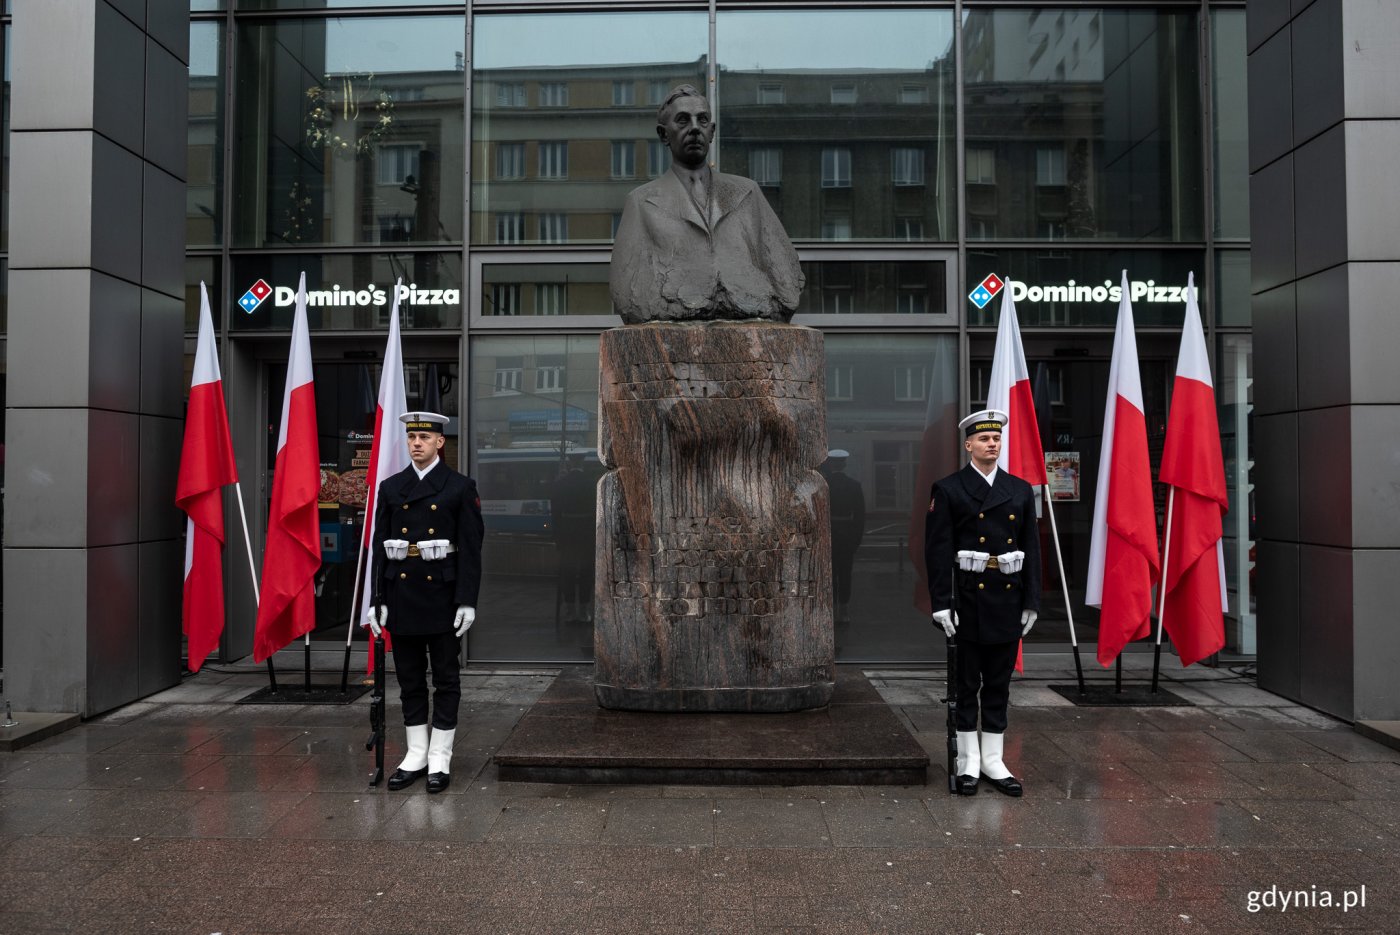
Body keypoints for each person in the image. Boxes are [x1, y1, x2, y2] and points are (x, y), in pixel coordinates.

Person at [609, 84, 804, 323]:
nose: (693, 128)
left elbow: (786, 278)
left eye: (702, 120)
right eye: (682, 121)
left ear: (712, 132)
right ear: (663, 134)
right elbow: (626, 293)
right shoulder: (641, 201)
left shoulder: (747, 193)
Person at [924, 409, 1040, 797]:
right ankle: (967, 761)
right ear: (968, 444)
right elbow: (937, 552)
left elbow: (1032, 551)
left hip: (1007, 601)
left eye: (997, 439)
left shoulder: (1020, 490)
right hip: (967, 602)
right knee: (965, 683)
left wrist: (1032, 601)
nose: (993, 444)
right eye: (985, 439)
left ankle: (994, 759)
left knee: (998, 684)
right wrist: (941, 602)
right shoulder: (949, 489)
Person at [367, 412, 485, 793]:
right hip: (402, 596)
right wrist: (376, 599)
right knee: (410, 679)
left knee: (446, 679)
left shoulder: (459, 487)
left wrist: (467, 600)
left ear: (440, 442)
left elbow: (470, 549)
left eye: (424, 436)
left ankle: (440, 757)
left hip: (443, 597)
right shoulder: (391, 487)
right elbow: (379, 550)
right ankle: (416, 753)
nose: (416, 442)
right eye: (411, 436)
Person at [549, 453, 597, 623]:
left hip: (567, 533)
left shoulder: (560, 484)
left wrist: (557, 537)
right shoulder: (592, 483)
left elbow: (555, 514)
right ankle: (584, 610)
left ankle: (570, 610)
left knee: (567, 572)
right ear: (582, 463)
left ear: (570, 464)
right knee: (586, 572)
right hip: (586, 533)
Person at [823, 449, 865, 625]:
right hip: (847, 535)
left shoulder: (823, 485)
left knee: (829, 575)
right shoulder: (854, 485)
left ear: (831, 464)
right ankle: (844, 610)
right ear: (844, 464)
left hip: (828, 534)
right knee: (845, 573)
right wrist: (856, 540)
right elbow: (860, 516)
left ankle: (830, 609)